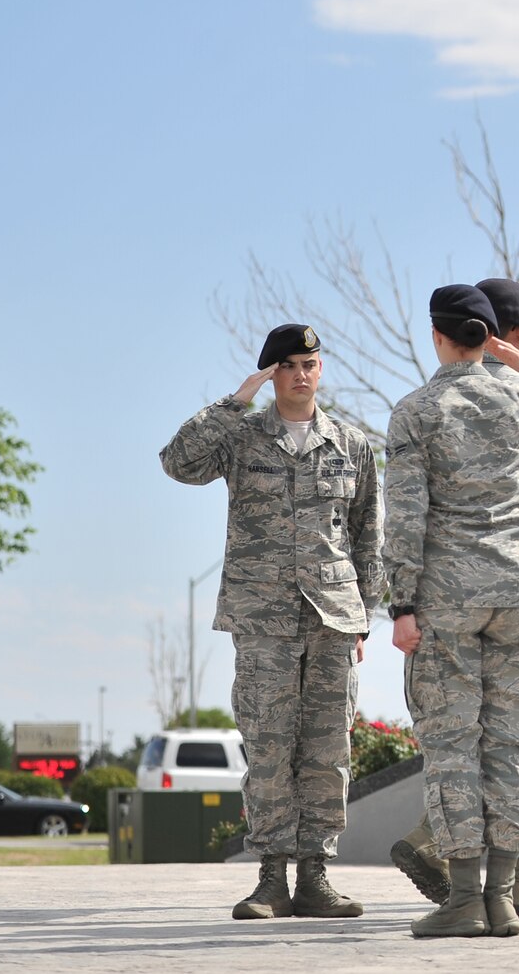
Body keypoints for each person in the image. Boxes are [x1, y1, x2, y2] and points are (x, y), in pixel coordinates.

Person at [385, 284, 519, 940]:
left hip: (448, 597)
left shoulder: (416, 411)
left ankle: (462, 899)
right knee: (514, 747)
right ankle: (506, 896)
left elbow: (404, 518)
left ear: (438, 335)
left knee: (454, 745)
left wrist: (401, 602)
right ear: (491, 337)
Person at [160, 323, 383, 921]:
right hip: (262, 616)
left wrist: (362, 618)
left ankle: (316, 874)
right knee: (268, 744)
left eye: (309, 362)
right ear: (270, 375)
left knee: (328, 747)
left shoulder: (353, 445)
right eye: (286, 365)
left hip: (334, 618)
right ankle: (270, 878)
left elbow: (367, 538)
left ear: (320, 368)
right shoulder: (241, 438)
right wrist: (234, 402)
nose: (300, 374)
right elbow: (178, 464)